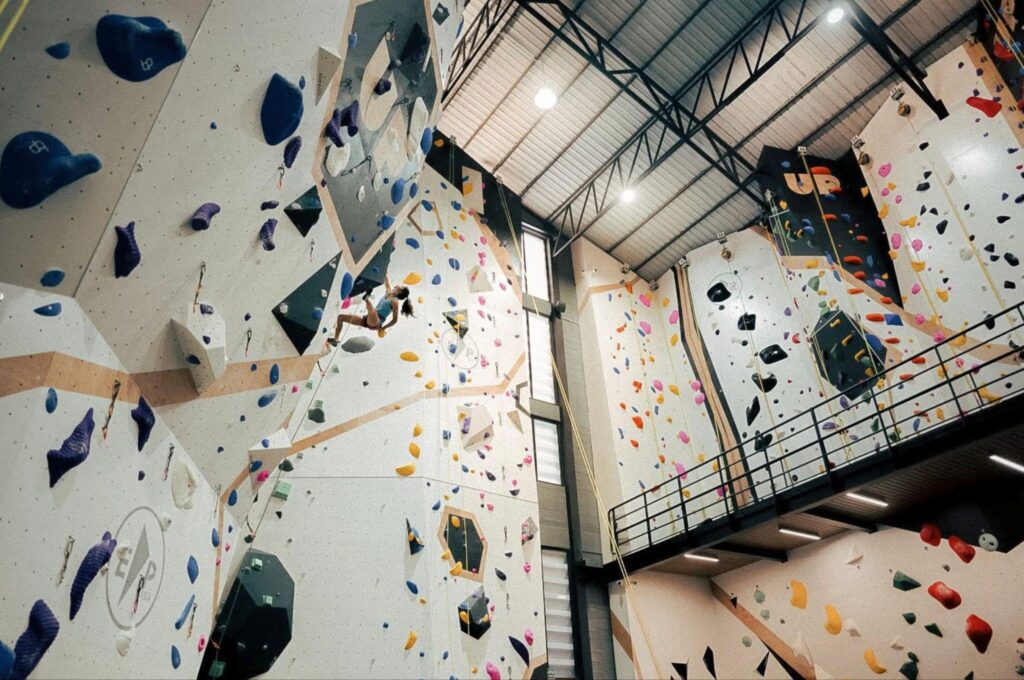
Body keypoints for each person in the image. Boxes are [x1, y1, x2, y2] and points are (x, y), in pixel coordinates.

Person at [327, 275, 414, 346]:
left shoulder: (395, 302)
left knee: (373, 311)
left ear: (400, 291)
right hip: (367, 319)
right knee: (341, 317)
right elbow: (386, 280)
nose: (398, 285)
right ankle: (335, 339)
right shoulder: (388, 292)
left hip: (377, 322)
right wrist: (384, 267)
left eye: (401, 286)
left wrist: (383, 328)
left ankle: (367, 298)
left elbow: (395, 320)